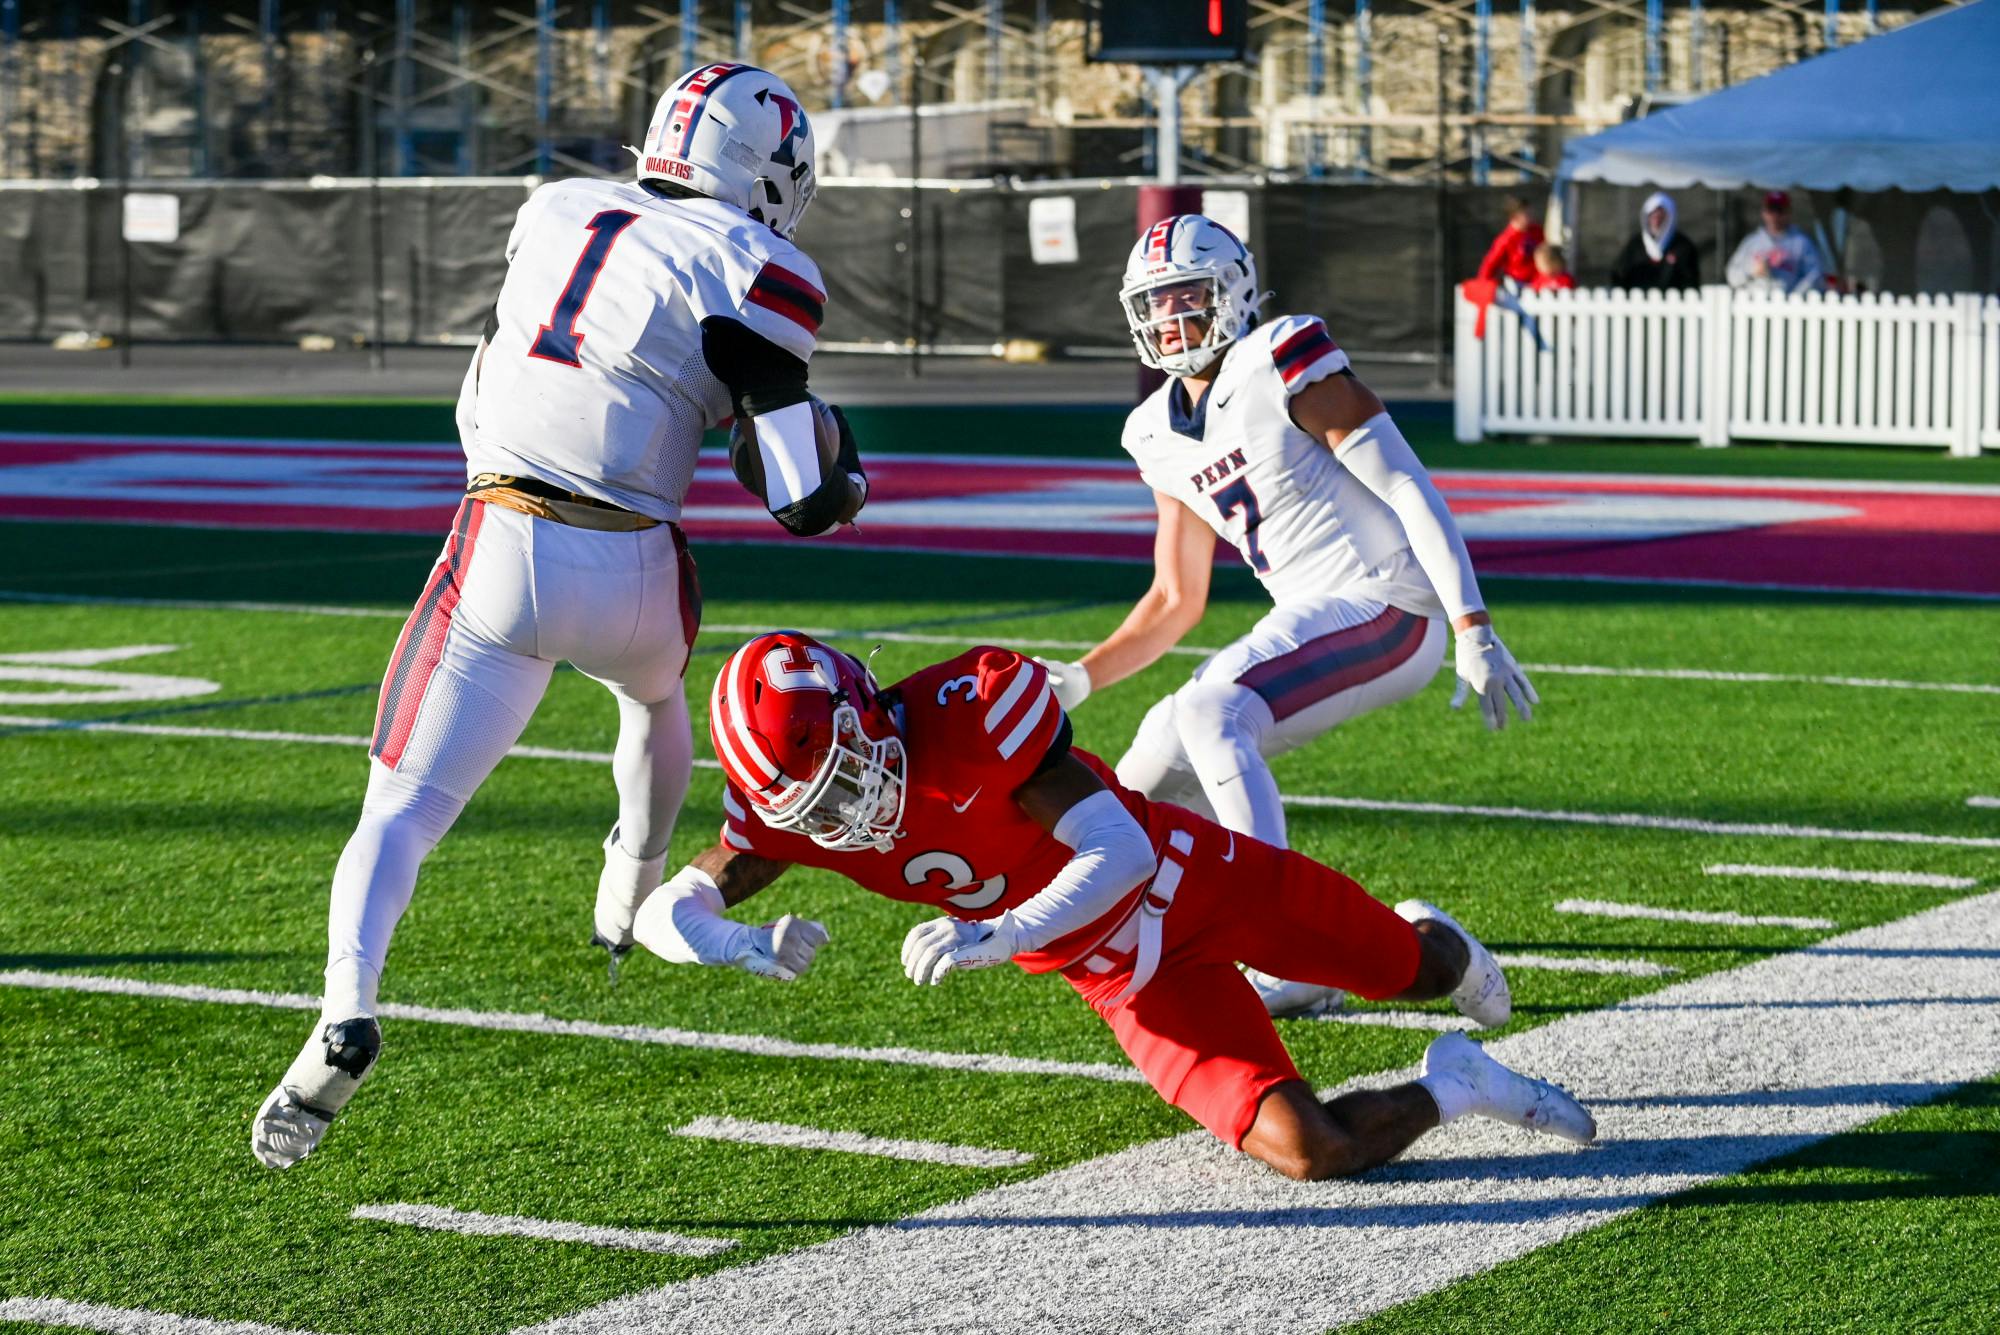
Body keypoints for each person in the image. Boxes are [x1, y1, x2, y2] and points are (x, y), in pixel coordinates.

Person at [250, 62, 868, 1170]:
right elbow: (801, 505)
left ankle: (344, 1006)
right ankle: (625, 885)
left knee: (396, 813)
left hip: (497, 541)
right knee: (652, 696)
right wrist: (820, 441)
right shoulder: (759, 263)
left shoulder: (555, 207)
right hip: (633, 565)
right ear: (763, 169)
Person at [635, 631, 1595, 1181]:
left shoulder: (972, 709)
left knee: (1411, 970)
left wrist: (1001, 931)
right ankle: (1457, 1085)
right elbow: (663, 908)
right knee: (1310, 1152)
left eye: (845, 780)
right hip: (1122, 978)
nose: (849, 816)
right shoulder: (802, 814)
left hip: (1193, 882)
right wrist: (732, 941)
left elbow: (1122, 847)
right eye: (818, 809)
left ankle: (1439, 943)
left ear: (865, 708)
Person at [1035, 214, 1537, 1019]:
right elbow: (1175, 598)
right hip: (1313, 613)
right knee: (1139, 781)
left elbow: (1407, 483)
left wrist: (1471, 622)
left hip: (1391, 604)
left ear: (1232, 293)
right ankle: (1164, 941)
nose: (1170, 320)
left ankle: (1291, 945)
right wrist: (1080, 679)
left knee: (1211, 708)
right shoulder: (1153, 430)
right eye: (1155, 304)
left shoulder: (1281, 357)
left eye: (1187, 297)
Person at [1726, 190, 1825, 294]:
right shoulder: (1751, 242)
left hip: (1789, 306)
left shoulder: (1802, 243)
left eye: (1780, 210)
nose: (1775, 215)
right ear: (1764, 212)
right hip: (1754, 304)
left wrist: (1794, 297)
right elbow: (1731, 276)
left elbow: (1815, 275)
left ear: (1789, 212)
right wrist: (1751, 271)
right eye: (1771, 209)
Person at [1611, 191, 1700, 292]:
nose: (1656, 221)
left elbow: (1690, 281)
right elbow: (1620, 275)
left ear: (1669, 218)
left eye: (1660, 217)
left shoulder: (1683, 247)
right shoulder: (1634, 245)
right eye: (1653, 217)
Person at [1475, 196, 1544, 286]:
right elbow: (1490, 263)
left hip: (1537, 281)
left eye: (1530, 212)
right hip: (1517, 283)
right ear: (1514, 216)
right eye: (1526, 214)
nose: (1531, 215)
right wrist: (1482, 283)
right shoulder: (1506, 239)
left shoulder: (1537, 231)